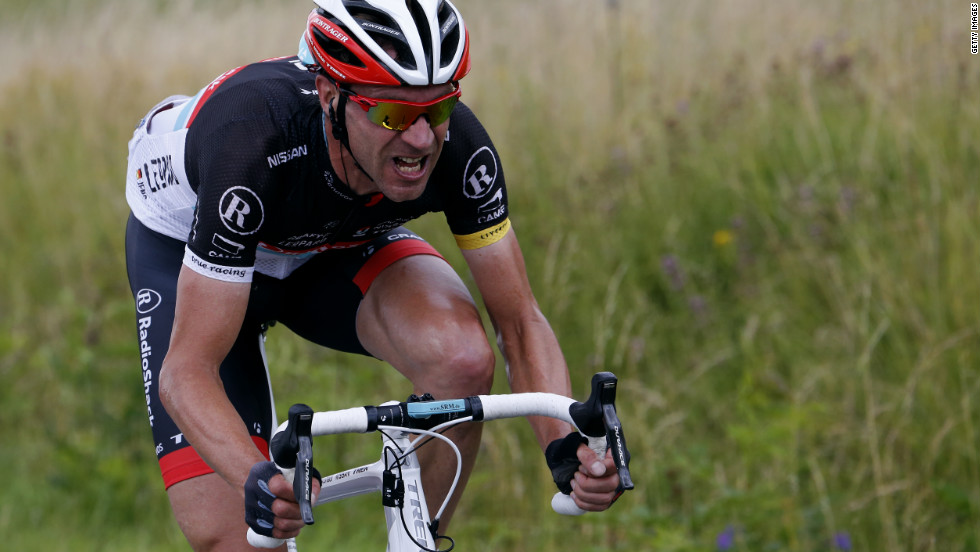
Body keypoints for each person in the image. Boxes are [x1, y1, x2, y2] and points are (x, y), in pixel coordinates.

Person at [125, 0, 623, 549]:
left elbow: (520, 322)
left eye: (437, 109)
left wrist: (565, 445)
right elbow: (186, 372)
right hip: (189, 247)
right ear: (330, 97)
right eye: (393, 115)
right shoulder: (252, 144)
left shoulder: (459, 146)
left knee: (460, 359)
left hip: (334, 242)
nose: (421, 140)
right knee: (236, 539)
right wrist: (259, 477)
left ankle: (416, 539)